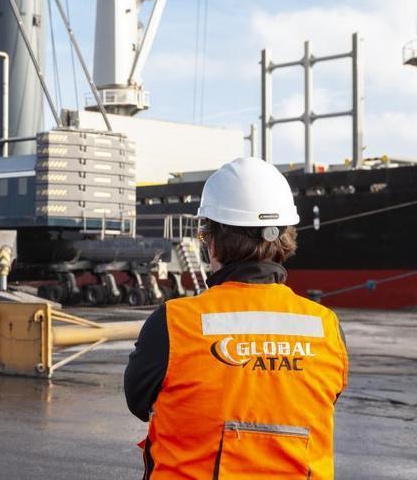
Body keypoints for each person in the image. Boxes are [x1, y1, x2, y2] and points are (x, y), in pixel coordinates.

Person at [124, 157, 348, 479]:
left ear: (212, 243)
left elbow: (138, 402)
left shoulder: (174, 323)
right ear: (284, 238)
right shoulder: (326, 327)